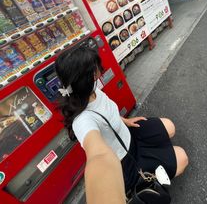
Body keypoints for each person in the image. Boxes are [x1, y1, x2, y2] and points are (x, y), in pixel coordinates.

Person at [55, 45, 188, 199]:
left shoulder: (91, 90)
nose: (99, 70)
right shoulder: (83, 121)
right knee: (182, 157)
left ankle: (157, 162)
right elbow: (97, 155)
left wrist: (125, 120)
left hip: (128, 134)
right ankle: (142, 185)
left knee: (169, 126)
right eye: (95, 68)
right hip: (126, 161)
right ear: (88, 76)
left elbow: (107, 113)